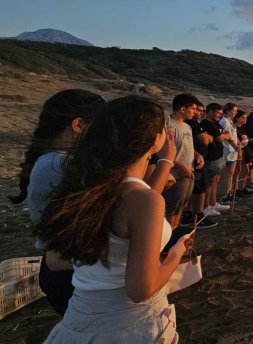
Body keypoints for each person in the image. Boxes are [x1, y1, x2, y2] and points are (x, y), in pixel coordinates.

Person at [36, 96, 192, 343]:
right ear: (155, 139)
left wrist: (164, 161)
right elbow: (141, 289)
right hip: (129, 324)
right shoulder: (143, 200)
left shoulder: (86, 186)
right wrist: (175, 253)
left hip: (81, 317)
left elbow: (139, 201)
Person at [14, 89, 106, 315]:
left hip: (64, 266)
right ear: (78, 125)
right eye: (100, 128)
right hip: (67, 271)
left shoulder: (53, 160)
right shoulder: (60, 166)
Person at [164, 94, 201, 228]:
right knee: (170, 209)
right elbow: (164, 152)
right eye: (193, 108)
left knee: (180, 207)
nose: (195, 112)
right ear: (182, 109)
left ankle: (175, 234)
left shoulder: (187, 126)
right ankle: (167, 240)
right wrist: (181, 166)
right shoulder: (169, 125)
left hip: (188, 173)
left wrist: (197, 155)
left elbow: (187, 146)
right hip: (175, 175)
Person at [201, 103, 230, 214]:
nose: (219, 115)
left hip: (219, 155)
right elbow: (220, 138)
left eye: (221, 113)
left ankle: (213, 203)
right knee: (209, 182)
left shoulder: (216, 123)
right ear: (210, 112)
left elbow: (227, 135)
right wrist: (221, 136)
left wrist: (222, 136)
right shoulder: (206, 123)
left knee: (215, 181)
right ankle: (206, 206)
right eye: (218, 113)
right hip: (211, 156)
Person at [218, 103, 240, 201]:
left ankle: (229, 193)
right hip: (227, 150)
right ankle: (226, 195)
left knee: (231, 174)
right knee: (228, 174)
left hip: (233, 151)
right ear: (227, 110)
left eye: (236, 111)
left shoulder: (230, 121)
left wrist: (239, 143)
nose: (235, 112)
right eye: (233, 110)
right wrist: (235, 146)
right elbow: (227, 136)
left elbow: (234, 135)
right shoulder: (224, 121)